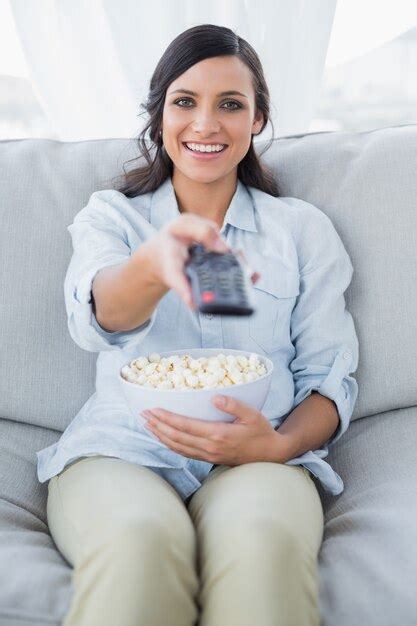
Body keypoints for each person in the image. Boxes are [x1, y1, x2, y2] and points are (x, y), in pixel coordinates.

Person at [38, 23, 359, 626]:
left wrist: (280, 443)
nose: (206, 124)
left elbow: (330, 377)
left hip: (261, 460)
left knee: (262, 547)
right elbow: (101, 315)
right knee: (139, 545)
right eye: (185, 102)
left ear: (258, 118)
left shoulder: (301, 231)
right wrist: (156, 263)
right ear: (159, 114)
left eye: (231, 104)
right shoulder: (113, 218)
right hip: (122, 450)